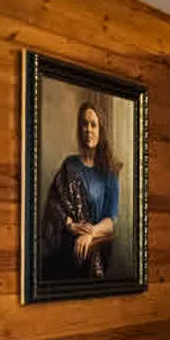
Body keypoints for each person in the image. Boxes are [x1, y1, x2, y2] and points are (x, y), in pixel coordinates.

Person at [39, 101, 121, 282]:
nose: (88, 130)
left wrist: (90, 234)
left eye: (93, 125)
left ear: (101, 130)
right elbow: (53, 205)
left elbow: (110, 220)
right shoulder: (70, 165)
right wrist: (71, 225)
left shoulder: (110, 171)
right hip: (65, 243)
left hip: (94, 247)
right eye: (84, 124)